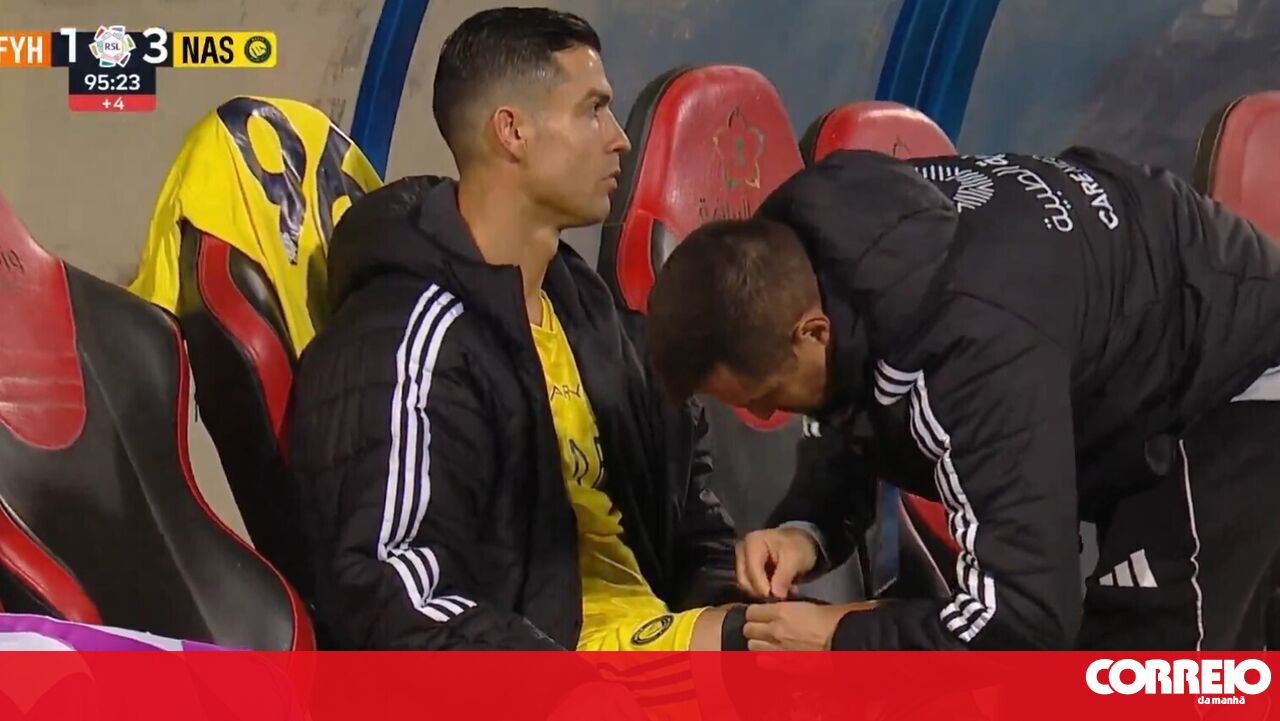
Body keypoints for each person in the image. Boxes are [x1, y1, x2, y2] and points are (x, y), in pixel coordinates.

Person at [643, 146, 1280, 651]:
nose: (760, 416)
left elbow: (1027, 618)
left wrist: (841, 634)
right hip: (1143, 342)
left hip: (1231, 376)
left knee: (1148, 676)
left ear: (811, 332)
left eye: (765, 395)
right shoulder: (823, 249)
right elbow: (864, 387)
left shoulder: (971, 349)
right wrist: (805, 528)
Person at [289, 7, 747, 652]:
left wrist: (737, 602)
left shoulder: (587, 312)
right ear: (513, 132)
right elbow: (386, 579)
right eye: (593, 110)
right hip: (556, 669)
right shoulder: (408, 338)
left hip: (651, 632)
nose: (619, 138)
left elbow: (686, 499)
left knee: (840, 646)